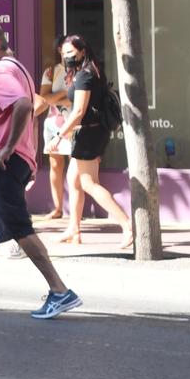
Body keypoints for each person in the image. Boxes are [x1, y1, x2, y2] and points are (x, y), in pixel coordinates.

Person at [0, 22, 81, 319]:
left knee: (18, 227)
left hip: (0, 162)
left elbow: (25, 104)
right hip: (0, 162)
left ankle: (59, 290)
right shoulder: (6, 68)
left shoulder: (2, 71)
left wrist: (6, 146)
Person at [55, 34, 134, 246]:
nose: (67, 57)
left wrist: (59, 135)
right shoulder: (90, 71)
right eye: (63, 53)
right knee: (73, 180)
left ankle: (127, 225)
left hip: (88, 134)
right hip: (91, 132)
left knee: (88, 183)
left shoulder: (85, 75)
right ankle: (74, 229)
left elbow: (79, 110)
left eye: (71, 52)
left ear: (82, 51)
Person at [34, 61, 76, 221]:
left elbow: (74, 100)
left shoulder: (81, 71)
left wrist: (54, 97)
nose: (67, 55)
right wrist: (63, 94)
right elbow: (44, 98)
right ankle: (58, 208)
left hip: (74, 122)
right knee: (55, 165)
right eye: (64, 50)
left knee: (75, 168)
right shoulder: (51, 72)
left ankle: (74, 210)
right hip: (53, 123)